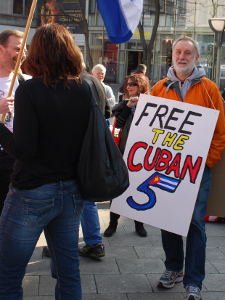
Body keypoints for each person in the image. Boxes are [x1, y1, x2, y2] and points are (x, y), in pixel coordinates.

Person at [0, 23, 96, 300]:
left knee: (8, 275)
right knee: (68, 272)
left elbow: (23, 150)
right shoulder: (85, 88)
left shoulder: (30, 90)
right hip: (72, 190)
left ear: (40, 52)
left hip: (32, 192)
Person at [151, 35, 225, 300]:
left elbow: (219, 133)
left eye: (187, 53)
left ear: (196, 58)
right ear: (172, 56)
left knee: (195, 224)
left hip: (197, 170)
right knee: (167, 219)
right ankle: (174, 268)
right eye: (177, 52)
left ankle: (194, 282)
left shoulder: (209, 89)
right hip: (165, 169)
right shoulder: (158, 88)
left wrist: (207, 161)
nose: (181, 57)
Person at [104, 73, 150, 238]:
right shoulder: (122, 105)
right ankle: (112, 223)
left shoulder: (151, 106)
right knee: (117, 190)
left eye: (133, 84)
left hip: (142, 157)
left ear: (141, 86)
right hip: (122, 154)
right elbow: (117, 129)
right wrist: (128, 107)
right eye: (128, 84)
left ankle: (139, 224)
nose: (129, 87)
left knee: (140, 188)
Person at [0, 29, 29, 215]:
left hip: (16, 157)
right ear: (1, 49)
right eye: (17, 48)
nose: (23, 54)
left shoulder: (26, 82)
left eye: (24, 49)